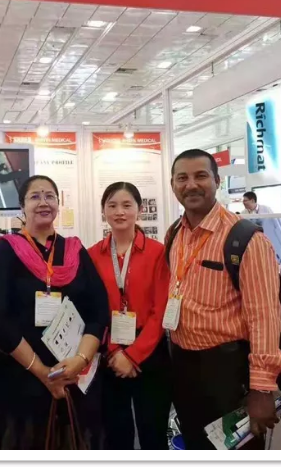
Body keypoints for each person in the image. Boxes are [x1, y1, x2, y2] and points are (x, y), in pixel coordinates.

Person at [166, 149, 281, 450]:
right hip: (183, 366)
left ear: (217, 181)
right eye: (182, 178)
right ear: (172, 185)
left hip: (228, 372)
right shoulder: (175, 234)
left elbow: (264, 318)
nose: (191, 185)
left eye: (201, 176)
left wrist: (261, 389)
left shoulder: (246, 239)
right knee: (196, 447)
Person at [0, 175, 109, 449]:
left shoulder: (74, 250)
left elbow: (99, 310)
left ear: (58, 204)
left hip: (74, 375)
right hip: (23, 379)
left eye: (50, 196)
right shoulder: (8, 250)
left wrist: (80, 360)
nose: (43, 202)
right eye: (35, 196)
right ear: (22, 206)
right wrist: (43, 372)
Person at [88, 182, 172, 450]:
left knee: (153, 432)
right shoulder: (93, 255)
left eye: (127, 205)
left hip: (150, 350)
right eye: (112, 205)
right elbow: (93, 308)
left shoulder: (158, 252)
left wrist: (133, 355)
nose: (119, 212)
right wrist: (114, 351)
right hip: (110, 351)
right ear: (103, 211)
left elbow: (161, 310)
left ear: (139, 210)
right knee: (115, 433)